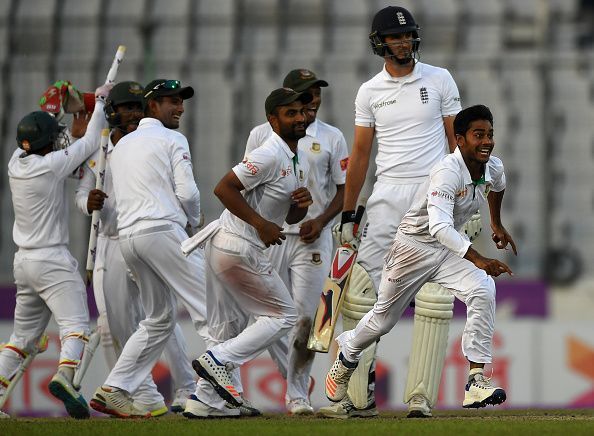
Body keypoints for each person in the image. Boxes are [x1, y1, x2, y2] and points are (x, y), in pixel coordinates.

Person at [321, 6, 464, 419]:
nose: (404, 43)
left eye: (408, 36)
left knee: (435, 296)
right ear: (379, 43)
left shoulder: (439, 78)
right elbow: (362, 154)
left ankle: (420, 398)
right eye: (396, 38)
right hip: (386, 197)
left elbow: (456, 144)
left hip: (434, 192)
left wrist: (465, 195)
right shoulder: (369, 91)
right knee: (364, 293)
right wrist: (349, 214)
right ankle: (358, 394)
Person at [325, 104, 516, 411]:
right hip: (412, 248)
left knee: (482, 288)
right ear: (460, 140)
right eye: (478, 135)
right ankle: (348, 351)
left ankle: (475, 380)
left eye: (490, 134)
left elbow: (499, 186)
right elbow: (438, 226)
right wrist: (478, 258)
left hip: (446, 249)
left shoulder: (493, 166)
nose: (487, 141)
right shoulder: (447, 172)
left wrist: (496, 223)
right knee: (383, 321)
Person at [184, 88, 313, 419]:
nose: (299, 118)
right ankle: (219, 360)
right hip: (238, 246)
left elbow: (287, 217)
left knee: (226, 325)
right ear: (273, 120)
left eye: (301, 112)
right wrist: (260, 224)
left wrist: (300, 208)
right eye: (290, 113)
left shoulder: (298, 159)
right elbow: (223, 188)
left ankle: (205, 401)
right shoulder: (268, 153)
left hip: (227, 247)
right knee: (283, 316)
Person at [74, 81, 197, 416]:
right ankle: (139, 394)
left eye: (136, 107)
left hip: (142, 235)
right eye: (126, 108)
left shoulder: (147, 142)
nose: (132, 114)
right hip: (111, 243)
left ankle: (187, 387)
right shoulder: (99, 151)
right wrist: (88, 201)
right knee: (117, 324)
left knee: (162, 318)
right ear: (113, 113)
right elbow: (80, 191)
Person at [0, 83, 110, 419]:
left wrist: (58, 108)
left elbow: (50, 136)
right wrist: (101, 101)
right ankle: (65, 375)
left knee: (22, 337)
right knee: (76, 326)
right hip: (52, 261)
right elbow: (92, 143)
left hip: (24, 263)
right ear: (48, 143)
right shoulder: (50, 166)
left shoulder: (16, 161)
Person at [244, 69, 349, 415]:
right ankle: (285, 379)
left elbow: (344, 190)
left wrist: (319, 220)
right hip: (272, 238)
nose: (313, 100)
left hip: (313, 241)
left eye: (317, 92)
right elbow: (248, 184)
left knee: (308, 320)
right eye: (305, 94)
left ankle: (297, 394)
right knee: (269, 317)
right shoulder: (261, 134)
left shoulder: (332, 137)